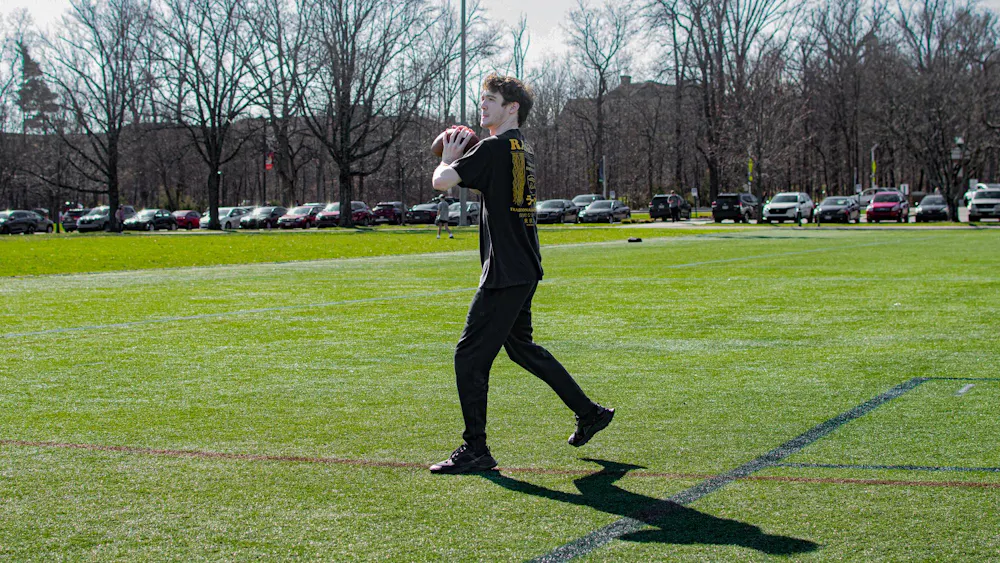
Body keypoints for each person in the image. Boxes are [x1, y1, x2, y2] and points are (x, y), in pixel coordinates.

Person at [428, 73, 614, 474]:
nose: (483, 105)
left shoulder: (494, 146)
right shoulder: (522, 148)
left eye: (491, 100)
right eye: (482, 99)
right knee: (521, 349)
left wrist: (448, 157)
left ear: (512, 108)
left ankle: (476, 449)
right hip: (525, 264)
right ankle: (590, 413)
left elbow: (442, 182)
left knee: (468, 357)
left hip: (506, 269)